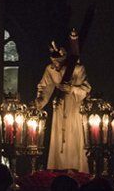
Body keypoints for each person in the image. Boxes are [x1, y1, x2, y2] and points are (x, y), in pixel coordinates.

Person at [35, 43, 91, 172]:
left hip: (74, 107)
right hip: (59, 107)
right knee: (58, 137)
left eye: (58, 62)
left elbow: (86, 89)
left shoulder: (77, 69)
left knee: (73, 136)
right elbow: (44, 86)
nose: (55, 66)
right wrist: (39, 102)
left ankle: (76, 167)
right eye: (53, 62)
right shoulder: (50, 69)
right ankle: (57, 167)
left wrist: (72, 89)